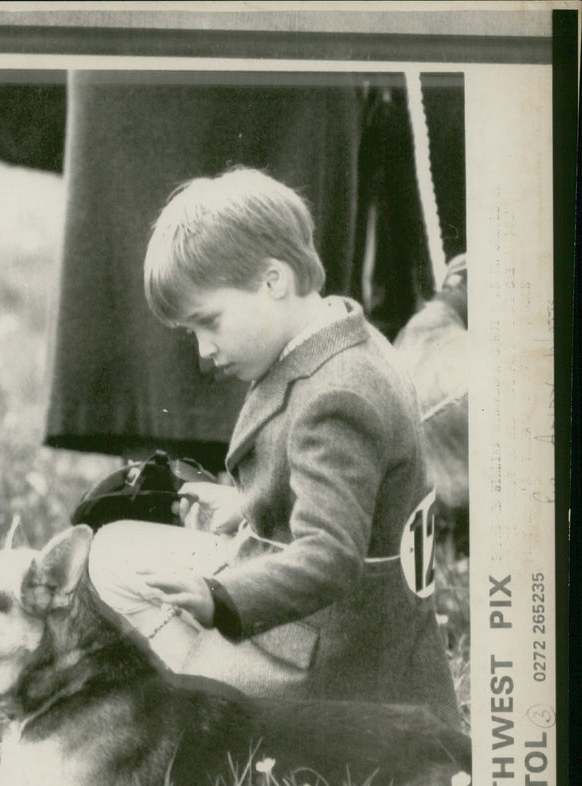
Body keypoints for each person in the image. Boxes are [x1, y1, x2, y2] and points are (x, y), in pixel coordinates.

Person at [87, 167, 461, 727]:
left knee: (116, 592)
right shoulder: (347, 341)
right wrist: (252, 503)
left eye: (207, 323)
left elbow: (330, 557)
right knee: (112, 552)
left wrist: (218, 597)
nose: (203, 352)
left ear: (272, 280)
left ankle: (191, 704)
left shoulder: (337, 396)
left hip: (327, 666)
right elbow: (361, 499)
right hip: (349, 627)